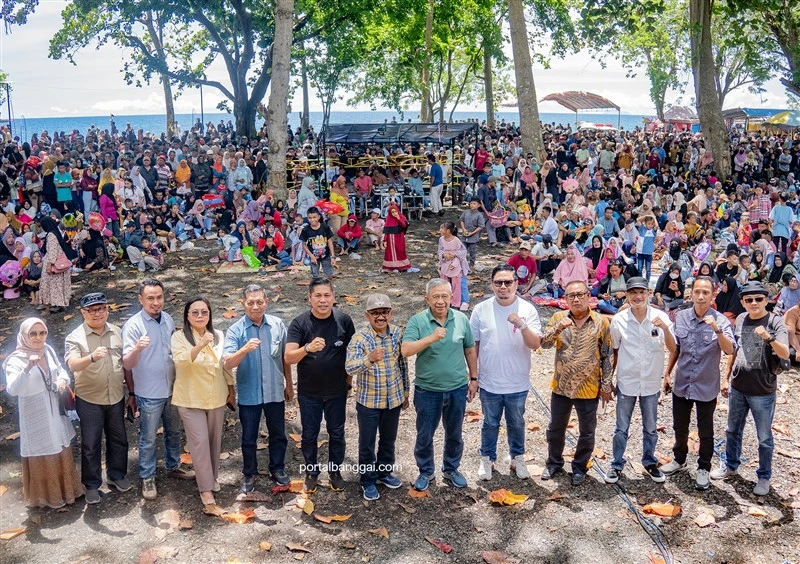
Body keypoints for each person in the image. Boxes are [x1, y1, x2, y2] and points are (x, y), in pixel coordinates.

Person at [711, 281, 789, 496]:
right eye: (749, 299)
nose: (754, 303)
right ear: (743, 302)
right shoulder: (742, 319)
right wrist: (726, 378)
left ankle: (764, 476)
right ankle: (731, 465)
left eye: (758, 299)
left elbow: (785, 354)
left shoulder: (776, 322)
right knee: (732, 429)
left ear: (766, 300)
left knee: (764, 436)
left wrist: (769, 337)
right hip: (738, 386)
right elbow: (734, 352)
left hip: (763, 390)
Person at [401, 278, 478, 491]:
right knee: (425, 434)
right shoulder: (418, 321)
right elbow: (405, 350)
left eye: (445, 296)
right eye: (436, 297)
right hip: (428, 390)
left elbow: (470, 349)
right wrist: (431, 338)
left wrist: (473, 378)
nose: (441, 301)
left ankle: (451, 469)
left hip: (457, 388)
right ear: (427, 299)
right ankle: (426, 471)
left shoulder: (461, 319)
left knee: (454, 432)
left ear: (452, 297)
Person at [659, 276, 735, 491]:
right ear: (691, 293)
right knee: (679, 426)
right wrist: (667, 373)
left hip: (706, 385)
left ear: (713, 295)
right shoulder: (681, 316)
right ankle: (679, 459)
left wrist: (717, 330)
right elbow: (676, 348)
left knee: (705, 431)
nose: (701, 296)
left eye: (706, 292)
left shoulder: (720, 320)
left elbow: (730, 350)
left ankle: (703, 467)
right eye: (697, 292)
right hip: (683, 383)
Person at [122, 278, 194, 500]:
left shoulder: (169, 320)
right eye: (150, 298)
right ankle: (147, 476)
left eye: (159, 297)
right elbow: (127, 364)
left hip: (172, 389)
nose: (155, 302)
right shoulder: (133, 326)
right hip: (148, 392)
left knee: (173, 431)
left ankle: (173, 466)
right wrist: (136, 349)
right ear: (140, 299)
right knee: (148, 437)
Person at [470, 265, 542, 481]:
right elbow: (473, 345)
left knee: (517, 422)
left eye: (508, 282)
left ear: (516, 283)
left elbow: (535, 344)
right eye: (498, 282)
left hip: (517, 382)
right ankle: (487, 459)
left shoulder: (527, 309)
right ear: (492, 284)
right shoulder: (480, 309)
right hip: (489, 381)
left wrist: (521, 325)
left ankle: (517, 457)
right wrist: (473, 377)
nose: (503, 286)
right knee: (490, 423)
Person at [4, 318, 84, 508]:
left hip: (54, 410)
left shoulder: (47, 351)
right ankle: (47, 498)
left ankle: (68, 492)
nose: (38, 338)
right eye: (33, 334)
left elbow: (61, 371)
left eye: (42, 333)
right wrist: (28, 368)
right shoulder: (16, 360)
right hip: (35, 413)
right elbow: (13, 389)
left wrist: (63, 381)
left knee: (59, 444)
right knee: (42, 449)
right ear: (24, 336)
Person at [285, 278, 355, 493]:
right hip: (309, 392)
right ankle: (311, 472)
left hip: (337, 391)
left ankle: (335, 472)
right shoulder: (299, 323)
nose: (323, 300)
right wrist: (307, 348)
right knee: (309, 434)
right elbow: (288, 357)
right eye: (318, 296)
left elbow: (352, 354)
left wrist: (349, 383)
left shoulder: (344, 320)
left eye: (327, 295)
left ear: (334, 297)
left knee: (337, 433)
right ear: (310, 298)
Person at [540, 280, 613, 486]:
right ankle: (554, 462)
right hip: (561, 386)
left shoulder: (601, 321)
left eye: (580, 294)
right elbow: (544, 344)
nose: (576, 299)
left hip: (589, 387)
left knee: (587, 431)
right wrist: (557, 328)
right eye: (571, 295)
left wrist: (606, 385)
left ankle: (580, 467)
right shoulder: (558, 317)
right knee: (555, 428)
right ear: (565, 299)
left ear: (589, 295)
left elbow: (607, 355)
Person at [606, 277, 676, 484]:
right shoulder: (619, 321)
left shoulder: (660, 317)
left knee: (651, 427)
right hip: (627, 381)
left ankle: (649, 461)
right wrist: (608, 379)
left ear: (648, 294)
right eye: (633, 293)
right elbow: (615, 352)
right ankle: (616, 464)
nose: (637, 296)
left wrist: (664, 328)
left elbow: (673, 348)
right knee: (621, 427)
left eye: (641, 292)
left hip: (651, 382)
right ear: (627, 295)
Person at [223, 285, 292, 493]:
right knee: (248, 437)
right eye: (250, 302)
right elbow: (227, 363)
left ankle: (277, 468)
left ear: (267, 302)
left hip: (274, 390)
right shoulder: (236, 330)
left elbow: (285, 358)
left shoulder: (278, 325)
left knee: (278, 433)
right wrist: (244, 349)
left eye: (259, 302)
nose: (255, 306)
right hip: (249, 393)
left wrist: (289, 384)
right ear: (243, 303)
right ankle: (249, 473)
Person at [64, 293, 130, 504]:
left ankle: (116, 475)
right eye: (91, 310)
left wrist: (132, 392)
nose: (97, 313)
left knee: (118, 439)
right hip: (89, 399)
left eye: (101, 309)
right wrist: (91, 357)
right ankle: (92, 484)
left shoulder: (117, 332)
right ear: (83, 313)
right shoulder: (75, 337)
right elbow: (72, 364)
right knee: (91, 444)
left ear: (107, 310)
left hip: (116, 396)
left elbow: (125, 362)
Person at [172, 296, 234, 513]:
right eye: (195, 312)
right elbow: (180, 361)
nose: (200, 316)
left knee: (214, 440)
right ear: (187, 317)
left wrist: (230, 389)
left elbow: (224, 365)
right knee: (198, 442)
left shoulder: (219, 335)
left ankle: (212, 477)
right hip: (190, 398)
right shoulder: (179, 337)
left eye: (204, 312)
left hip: (216, 395)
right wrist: (199, 345)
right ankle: (205, 488)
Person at [345, 294, 409, 501]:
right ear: (367, 315)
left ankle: (384, 472)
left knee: (388, 439)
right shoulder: (360, 338)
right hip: (369, 401)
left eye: (384, 312)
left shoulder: (398, 333)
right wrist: (369, 359)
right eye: (375, 313)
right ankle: (367, 479)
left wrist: (405, 391)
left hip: (394, 398)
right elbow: (349, 367)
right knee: (367, 442)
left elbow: (402, 364)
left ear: (391, 313)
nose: (380, 317)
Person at [38, 216, 72, 316]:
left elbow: (52, 251)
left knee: (47, 285)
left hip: (53, 263)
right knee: (59, 285)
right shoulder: (55, 233)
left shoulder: (51, 235)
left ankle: (47, 308)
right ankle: (61, 304)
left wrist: (49, 264)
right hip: (60, 263)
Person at [300, 206, 335, 278]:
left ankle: (328, 287)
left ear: (318, 217)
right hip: (314, 256)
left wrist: (333, 256)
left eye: (314, 217)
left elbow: (330, 242)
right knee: (315, 275)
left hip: (326, 255)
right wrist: (311, 256)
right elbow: (304, 244)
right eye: (310, 218)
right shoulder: (306, 230)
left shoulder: (325, 227)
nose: (312, 220)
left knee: (329, 274)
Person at [382, 204, 412, 272]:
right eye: (392, 212)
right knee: (390, 253)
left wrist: (398, 218)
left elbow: (404, 225)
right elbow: (387, 230)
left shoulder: (401, 217)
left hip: (399, 237)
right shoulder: (388, 219)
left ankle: (402, 266)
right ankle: (391, 267)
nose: (394, 213)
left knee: (400, 250)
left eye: (395, 211)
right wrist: (384, 240)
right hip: (390, 239)